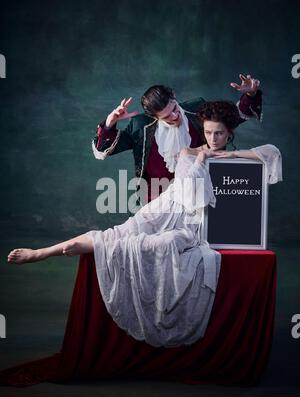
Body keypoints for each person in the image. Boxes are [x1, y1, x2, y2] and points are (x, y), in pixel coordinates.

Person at [7, 101, 281, 348]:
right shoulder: (188, 152)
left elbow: (271, 153)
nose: (213, 138)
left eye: (219, 133)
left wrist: (232, 156)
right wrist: (201, 157)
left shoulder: (229, 153)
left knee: (157, 244)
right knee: (117, 235)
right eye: (208, 133)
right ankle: (42, 252)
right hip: (164, 210)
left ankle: (49, 251)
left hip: (188, 225)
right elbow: (189, 193)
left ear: (228, 134)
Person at [93, 75, 263, 202]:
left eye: (174, 108)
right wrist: (109, 124)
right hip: (155, 202)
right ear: (154, 117)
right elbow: (105, 149)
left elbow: (231, 117)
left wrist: (250, 96)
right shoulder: (140, 126)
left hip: (198, 196)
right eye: (167, 116)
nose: (175, 116)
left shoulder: (197, 109)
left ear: (174, 96)